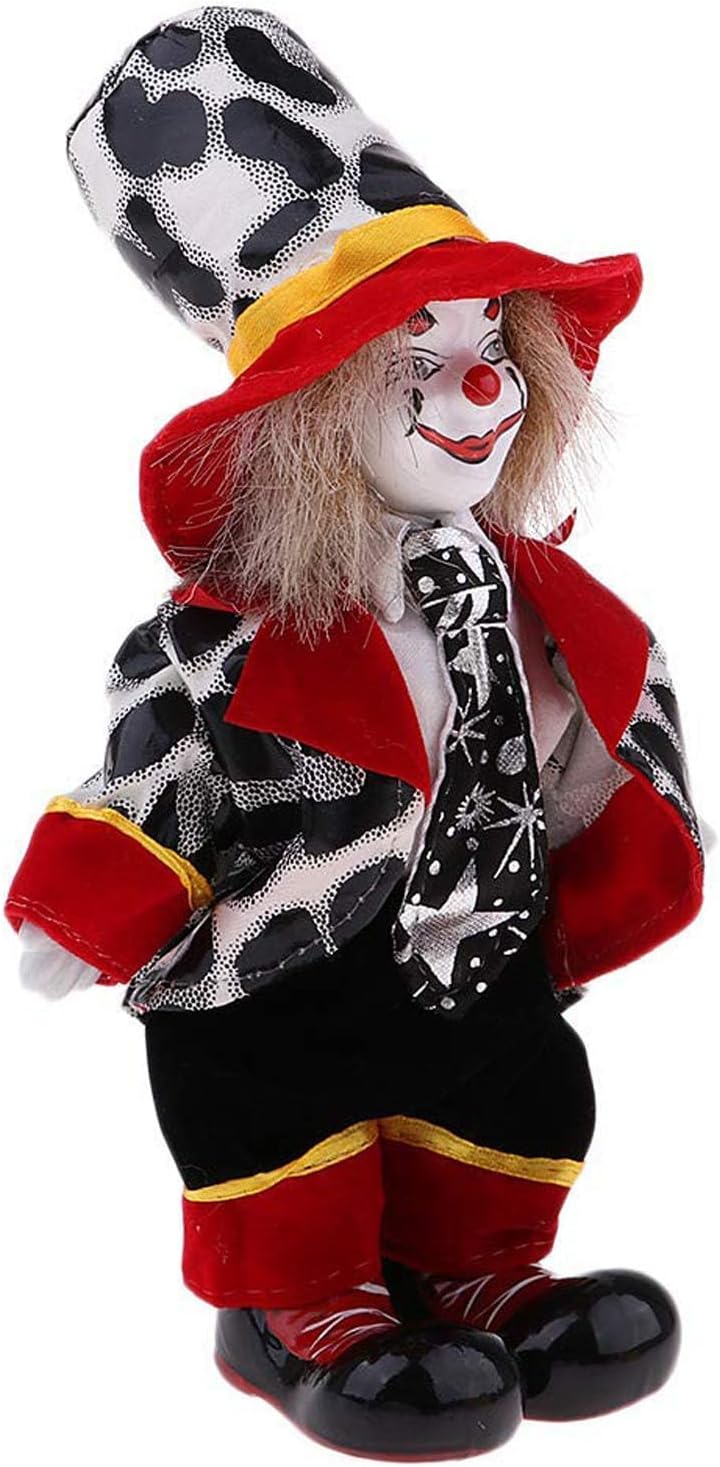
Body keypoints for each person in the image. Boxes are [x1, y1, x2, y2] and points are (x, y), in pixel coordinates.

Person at [6, 9, 704, 1459]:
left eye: (490, 345)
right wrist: (86, 907)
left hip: (485, 942)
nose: (480, 388)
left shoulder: (534, 595)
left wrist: (607, 825)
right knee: (286, 1119)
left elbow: (607, 712)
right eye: (413, 358)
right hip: (286, 965)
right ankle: (306, 1310)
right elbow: (162, 765)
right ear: (310, 415)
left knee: (511, 1092)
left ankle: (479, 1275)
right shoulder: (230, 635)